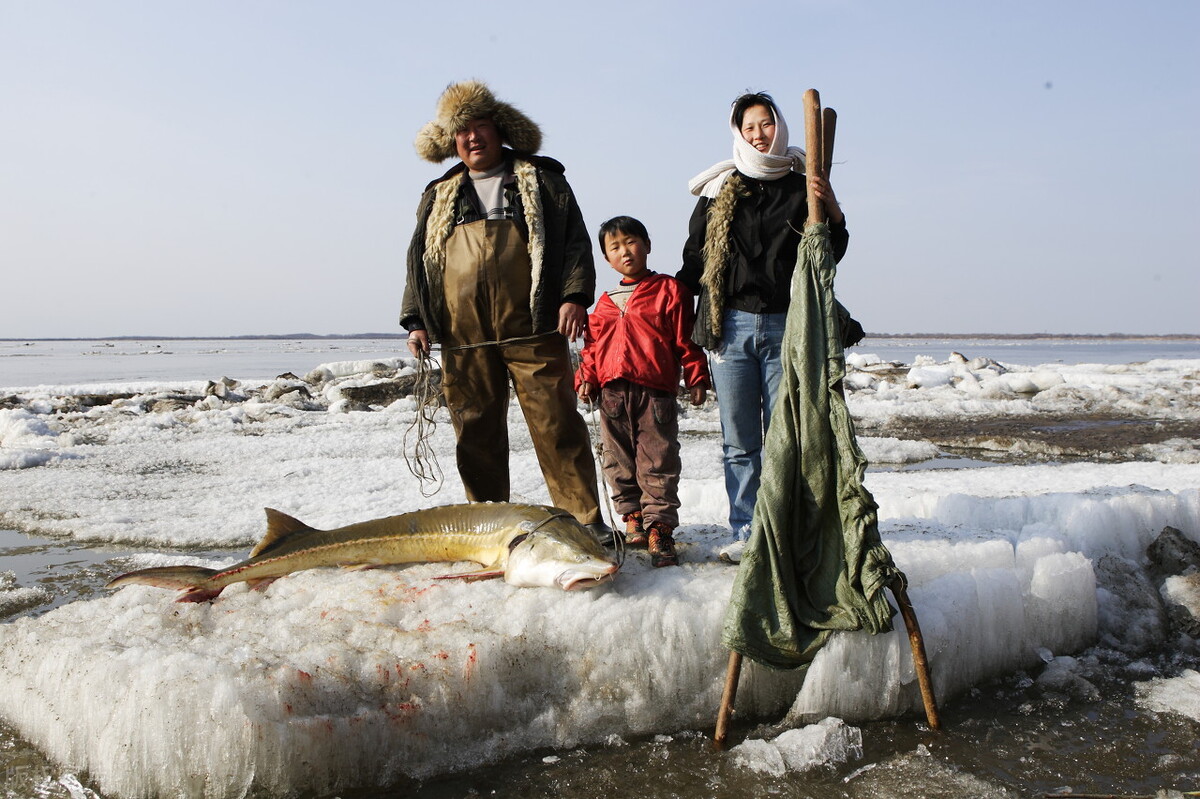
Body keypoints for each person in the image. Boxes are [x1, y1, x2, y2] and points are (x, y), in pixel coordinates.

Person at [400, 80, 607, 539]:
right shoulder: (439, 195)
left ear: (500, 130)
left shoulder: (543, 180)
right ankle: (490, 527)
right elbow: (418, 262)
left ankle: (584, 525)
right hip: (463, 336)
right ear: (452, 141)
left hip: (534, 328)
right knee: (475, 436)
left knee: (557, 427)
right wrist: (416, 320)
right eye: (463, 131)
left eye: (481, 127)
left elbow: (574, 243)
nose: (473, 138)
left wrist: (574, 297)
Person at [676, 91, 848, 564]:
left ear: (780, 127)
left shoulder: (801, 188)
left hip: (785, 326)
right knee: (738, 439)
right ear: (738, 132)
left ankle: (782, 528)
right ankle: (746, 528)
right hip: (729, 326)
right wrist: (660, 296)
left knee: (783, 435)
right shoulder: (721, 189)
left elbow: (828, 253)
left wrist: (830, 209)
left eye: (766, 124)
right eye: (749, 127)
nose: (758, 134)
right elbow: (694, 260)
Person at [575, 217, 710, 568]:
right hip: (612, 395)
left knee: (658, 460)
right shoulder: (603, 303)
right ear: (606, 259)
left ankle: (660, 528)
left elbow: (686, 340)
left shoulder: (669, 290)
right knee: (617, 459)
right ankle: (632, 517)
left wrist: (696, 376)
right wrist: (586, 377)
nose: (625, 252)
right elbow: (591, 348)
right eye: (614, 248)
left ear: (647, 245)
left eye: (631, 242)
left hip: (655, 393)